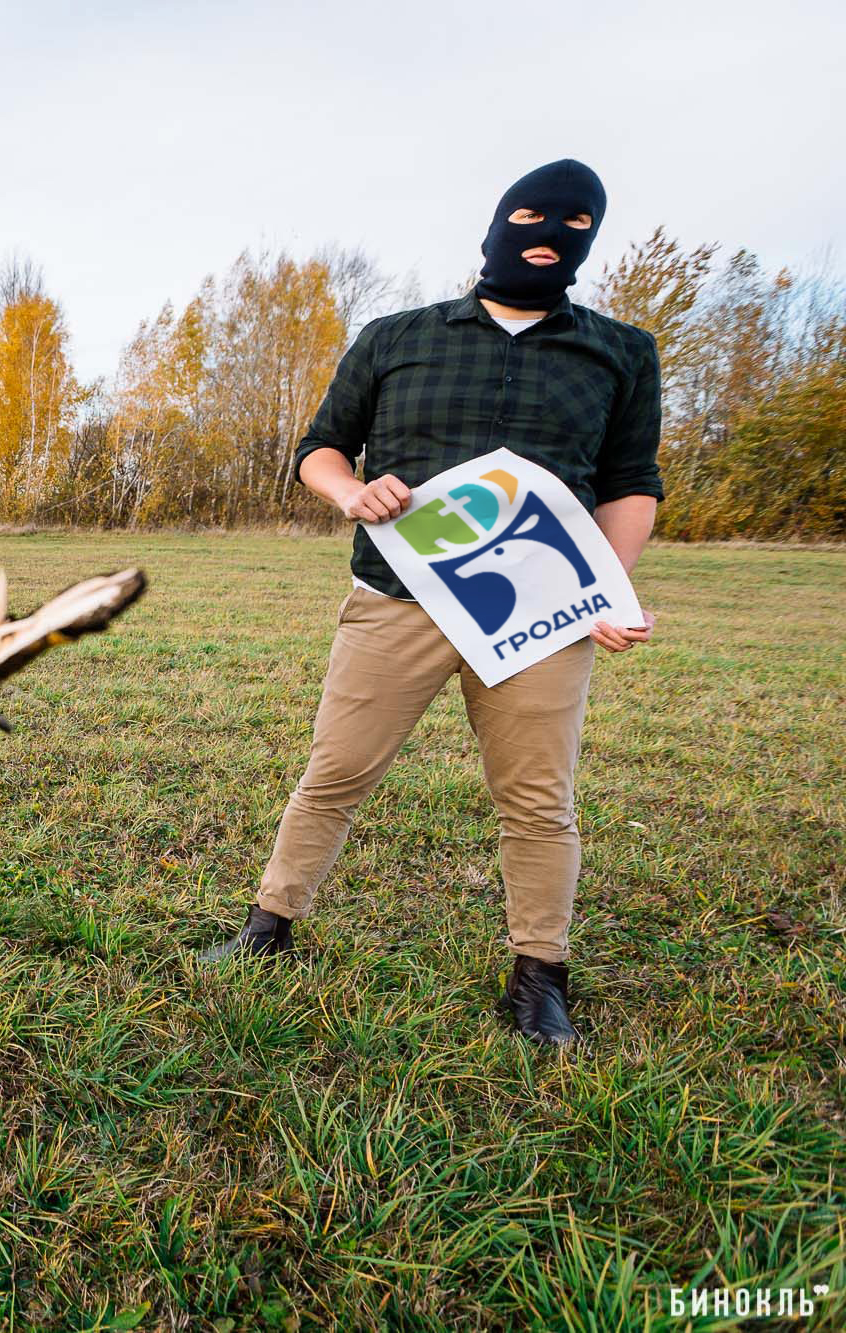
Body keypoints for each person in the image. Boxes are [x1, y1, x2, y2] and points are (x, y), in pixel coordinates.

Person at [200, 160, 663, 1047]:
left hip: (540, 615)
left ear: (590, 237)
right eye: (528, 214)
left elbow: (631, 481)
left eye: (571, 223)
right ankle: (267, 931)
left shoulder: (620, 350)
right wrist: (350, 493)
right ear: (492, 225)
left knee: (538, 801)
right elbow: (320, 448)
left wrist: (608, 586)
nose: (546, 232)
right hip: (396, 598)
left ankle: (540, 976)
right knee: (335, 773)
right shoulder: (396, 334)